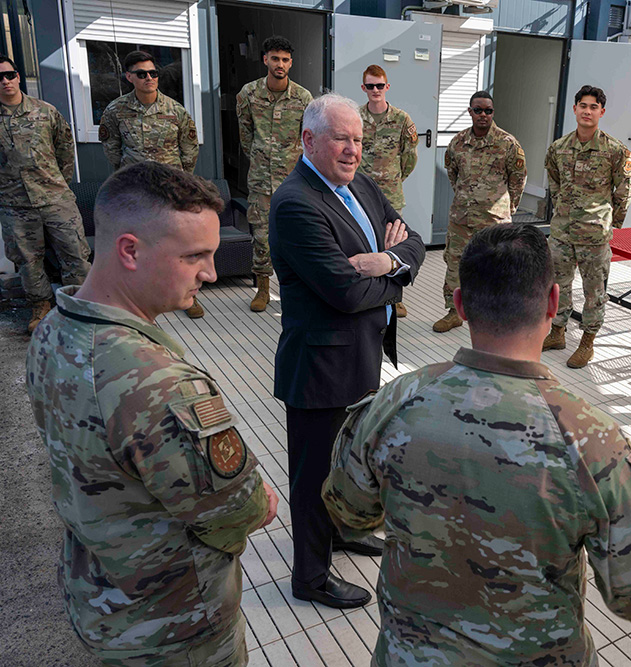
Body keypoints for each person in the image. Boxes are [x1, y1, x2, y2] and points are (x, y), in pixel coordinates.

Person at [322, 224, 631, 665]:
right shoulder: (592, 438)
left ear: (461, 305)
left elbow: (348, 513)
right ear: (554, 303)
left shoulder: (395, 400)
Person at [25, 161, 279, 666]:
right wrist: (261, 500)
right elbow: (240, 507)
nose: (210, 272)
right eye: (194, 257)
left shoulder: (56, 327)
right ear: (130, 251)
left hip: (100, 597)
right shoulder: (156, 383)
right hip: (174, 627)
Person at [269, 93, 425, 609]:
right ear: (309, 140)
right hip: (319, 368)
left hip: (361, 355)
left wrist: (381, 262)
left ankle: (342, 533)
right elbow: (344, 292)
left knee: (351, 459)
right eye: (341, 138)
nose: (353, 149)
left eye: (358, 139)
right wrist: (392, 274)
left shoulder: (358, 183)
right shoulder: (295, 203)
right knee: (314, 476)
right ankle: (310, 578)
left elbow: (415, 244)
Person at [100, 50, 202, 318]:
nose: (149, 78)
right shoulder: (116, 111)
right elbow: (111, 148)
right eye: (142, 74)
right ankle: (140, 300)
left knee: (181, 244)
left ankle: (188, 296)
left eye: (153, 73)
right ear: (129, 77)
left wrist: (179, 179)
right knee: (139, 246)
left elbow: (189, 149)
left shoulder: (175, 110)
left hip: (170, 190)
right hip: (135, 192)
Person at [542, 85, 631, 368]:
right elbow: (554, 181)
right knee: (558, 284)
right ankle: (557, 331)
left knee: (594, 290)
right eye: (583, 105)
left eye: (594, 107)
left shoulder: (615, 150)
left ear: (601, 112)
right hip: (561, 232)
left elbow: (624, 189)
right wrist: (561, 211)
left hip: (594, 235)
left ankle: (588, 341)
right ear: (575, 109)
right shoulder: (559, 148)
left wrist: (609, 223)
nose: (587, 111)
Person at [0, 55, 91, 333]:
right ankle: (41, 305)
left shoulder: (45, 111)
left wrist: (58, 183)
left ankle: (80, 307)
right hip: (15, 204)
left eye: (10, 74)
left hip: (55, 199)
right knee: (27, 260)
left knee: (74, 254)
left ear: (18, 76)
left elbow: (65, 147)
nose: (5, 81)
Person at [434, 90, 526, 333]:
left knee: (496, 267)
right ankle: (454, 312)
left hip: (494, 221)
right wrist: (468, 199)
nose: (483, 115)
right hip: (461, 219)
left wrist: (506, 209)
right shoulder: (457, 142)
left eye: (488, 110)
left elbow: (517, 181)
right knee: (455, 264)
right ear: (470, 112)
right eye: (478, 110)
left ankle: (496, 316)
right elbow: (453, 175)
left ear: (493, 113)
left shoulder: (508, 144)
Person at [236, 35, 313, 313]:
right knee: (261, 234)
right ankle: (263, 288)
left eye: (285, 59)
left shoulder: (303, 98)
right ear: (265, 59)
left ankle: (299, 289)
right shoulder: (248, 94)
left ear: (290, 63)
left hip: (294, 180)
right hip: (260, 179)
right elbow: (246, 136)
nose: (280, 64)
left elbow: (310, 139)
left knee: (299, 233)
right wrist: (261, 159)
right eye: (275, 58)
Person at [358, 64, 419, 319]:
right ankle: (367, 293)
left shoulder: (402, 119)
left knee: (394, 246)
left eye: (379, 85)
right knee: (362, 241)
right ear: (364, 88)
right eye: (370, 86)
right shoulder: (355, 117)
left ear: (387, 87)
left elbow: (409, 158)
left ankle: (395, 297)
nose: (375, 90)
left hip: (390, 193)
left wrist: (393, 179)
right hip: (359, 193)